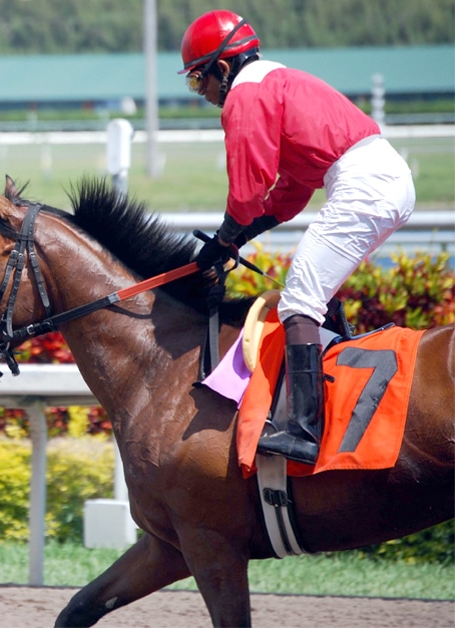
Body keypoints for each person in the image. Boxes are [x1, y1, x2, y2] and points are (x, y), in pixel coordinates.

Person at [182, 10, 415, 464]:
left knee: (299, 301)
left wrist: (226, 237)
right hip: (379, 178)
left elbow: (248, 192)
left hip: (364, 184)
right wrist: (235, 238)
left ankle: (305, 431)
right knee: (312, 291)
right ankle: (340, 387)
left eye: (198, 81)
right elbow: (288, 193)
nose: (202, 93)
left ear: (223, 68)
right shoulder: (276, 82)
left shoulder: (244, 96)